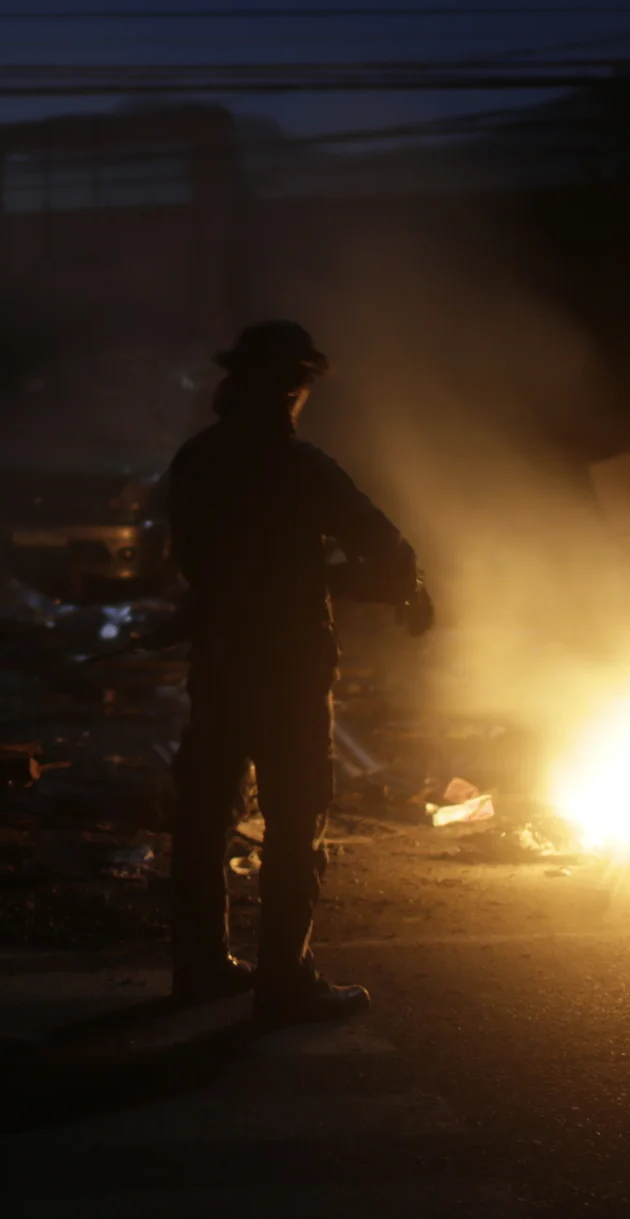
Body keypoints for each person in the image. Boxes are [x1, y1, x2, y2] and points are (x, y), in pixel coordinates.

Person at [162, 319, 431, 1023]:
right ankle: (284, 979)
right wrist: (374, 586)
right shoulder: (300, 465)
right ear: (290, 388)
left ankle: (198, 965)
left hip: (219, 663)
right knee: (293, 820)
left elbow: (192, 565)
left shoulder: (196, 460)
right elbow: (387, 549)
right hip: (288, 669)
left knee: (203, 818)